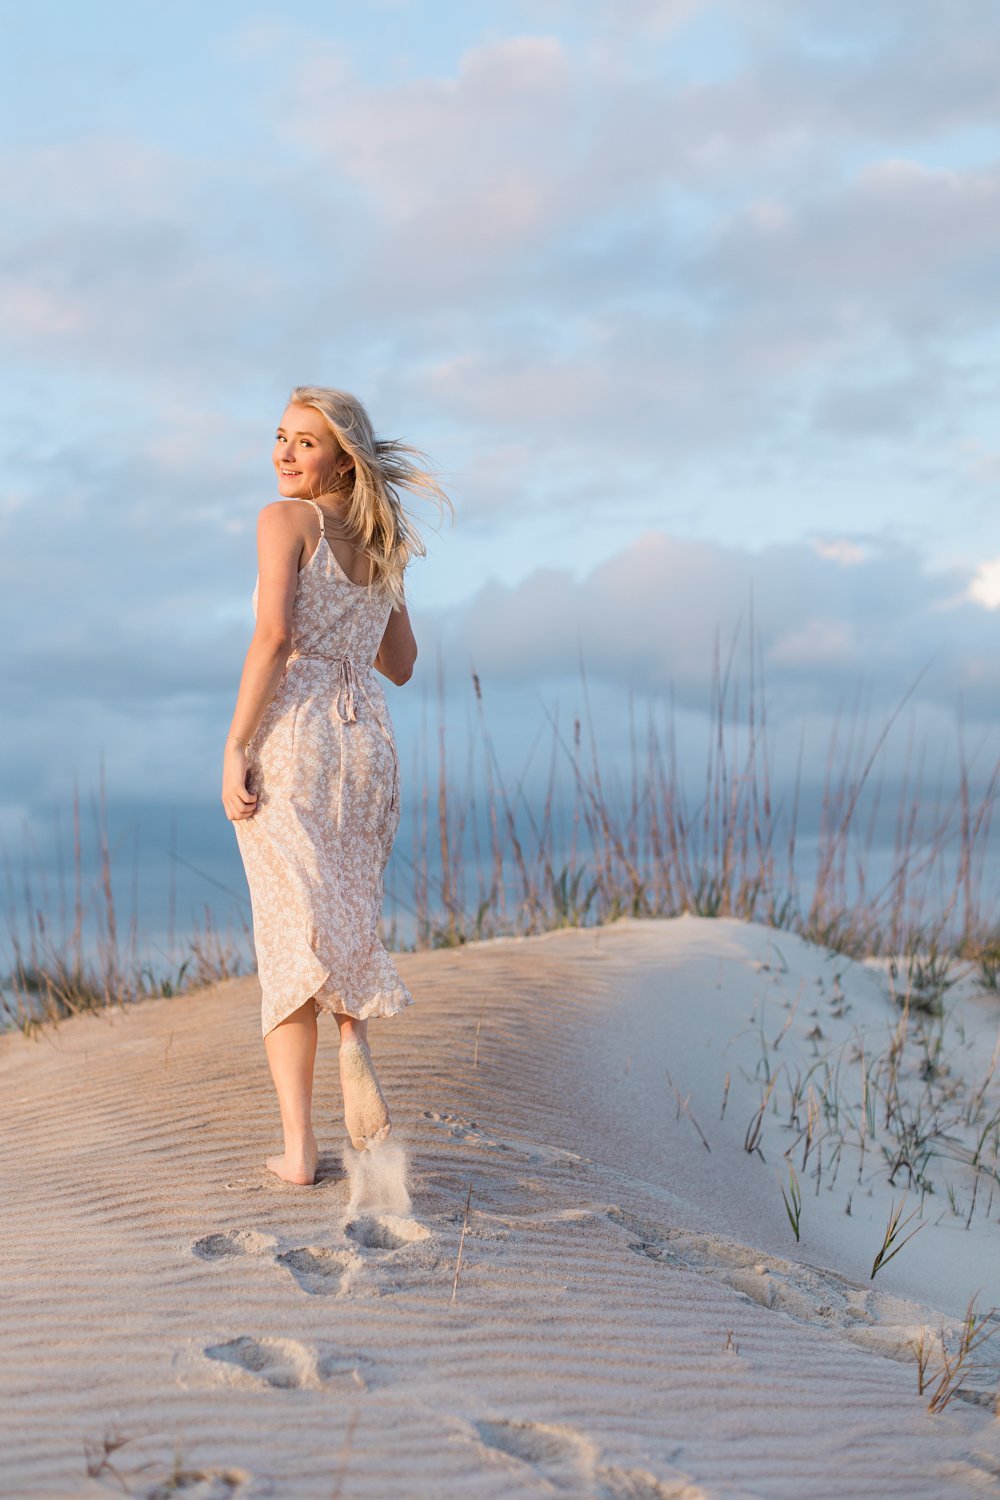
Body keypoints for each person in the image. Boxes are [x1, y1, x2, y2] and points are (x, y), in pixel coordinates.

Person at [221, 385, 452, 1185]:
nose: (284, 453)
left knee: (289, 932)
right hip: (367, 746)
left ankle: (298, 1150)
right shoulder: (381, 541)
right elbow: (403, 666)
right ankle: (354, 1030)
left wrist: (235, 743)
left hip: (296, 734)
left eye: (305, 443)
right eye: (280, 436)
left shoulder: (284, 520)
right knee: (343, 910)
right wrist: (359, 616)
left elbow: (275, 635)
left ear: (341, 456)